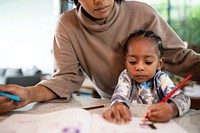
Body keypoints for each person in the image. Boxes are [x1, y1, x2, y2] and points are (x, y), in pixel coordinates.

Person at [0, 0, 199, 114]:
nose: (100, 1)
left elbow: (181, 58)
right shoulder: (66, 25)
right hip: (113, 108)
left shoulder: (143, 13)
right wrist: (29, 94)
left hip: (156, 109)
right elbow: (65, 79)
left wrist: (173, 108)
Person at [102, 30, 191, 124]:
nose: (139, 67)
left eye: (148, 62)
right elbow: (119, 95)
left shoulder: (161, 78)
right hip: (132, 125)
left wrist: (172, 109)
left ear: (159, 64)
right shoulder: (126, 76)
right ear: (125, 62)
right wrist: (118, 104)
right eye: (132, 62)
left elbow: (184, 99)